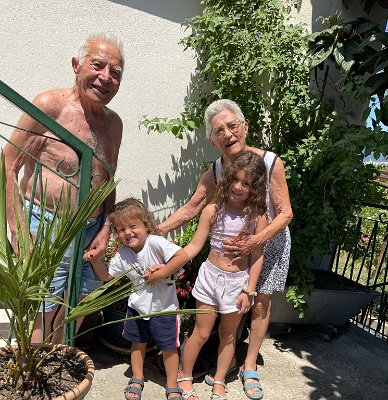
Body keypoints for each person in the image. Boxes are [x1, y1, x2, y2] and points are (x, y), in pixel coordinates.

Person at [158, 99, 293, 399]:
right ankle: (227, 363)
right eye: (219, 130)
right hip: (227, 258)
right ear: (212, 140)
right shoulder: (217, 169)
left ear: (245, 127)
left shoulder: (271, 163)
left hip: (268, 243)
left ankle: (249, 366)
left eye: (232, 126)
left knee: (259, 304)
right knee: (225, 318)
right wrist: (158, 230)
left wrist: (255, 241)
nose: (228, 133)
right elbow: (193, 206)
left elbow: (285, 213)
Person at [4, 32, 124, 343]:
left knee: (77, 309)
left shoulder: (114, 124)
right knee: (42, 313)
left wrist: (106, 227)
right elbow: (9, 165)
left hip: (91, 230)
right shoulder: (49, 107)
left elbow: (108, 178)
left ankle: (56, 360)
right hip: (45, 225)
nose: (106, 77)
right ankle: (34, 367)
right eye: (97, 65)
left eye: (115, 72)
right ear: (76, 65)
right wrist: (18, 230)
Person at [176, 151, 269, 400]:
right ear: (227, 178)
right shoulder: (212, 210)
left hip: (237, 283)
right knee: (202, 332)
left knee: (228, 336)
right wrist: (169, 263)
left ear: (255, 188)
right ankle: (185, 376)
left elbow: (257, 256)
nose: (238, 187)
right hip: (210, 278)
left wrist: (249, 290)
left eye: (246, 183)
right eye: (235, 179)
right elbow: (194, 246)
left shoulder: (257, 217)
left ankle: (219, 380)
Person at [87, 198, 188, 400]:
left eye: (133, 226)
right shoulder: (123, 254)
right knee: (137, 344)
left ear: (146, 225)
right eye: (121, 229)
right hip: (137, 308)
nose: (128, 233)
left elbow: (181, 256)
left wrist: (160, 274)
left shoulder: (155, 243)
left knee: (169, 348)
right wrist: (96, 260)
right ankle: (137, 378)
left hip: (165, 309)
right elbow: (107, 276)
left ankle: (172, 385)